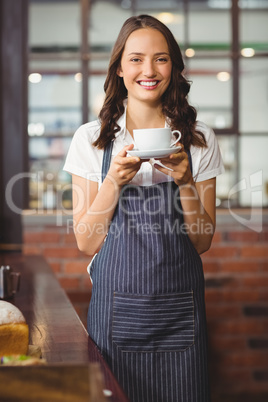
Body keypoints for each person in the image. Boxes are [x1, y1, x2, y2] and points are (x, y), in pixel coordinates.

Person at [63, 14, 224, 402]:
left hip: (180, 317)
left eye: (161, 58)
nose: (148, 70)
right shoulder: (92, 139)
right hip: (115, 316)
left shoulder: (199, 140)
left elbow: (201, 243)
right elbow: (86, 243)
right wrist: (114, 181)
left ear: (174, 67)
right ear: (119, 68)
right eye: (135, 59)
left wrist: (185, 181)